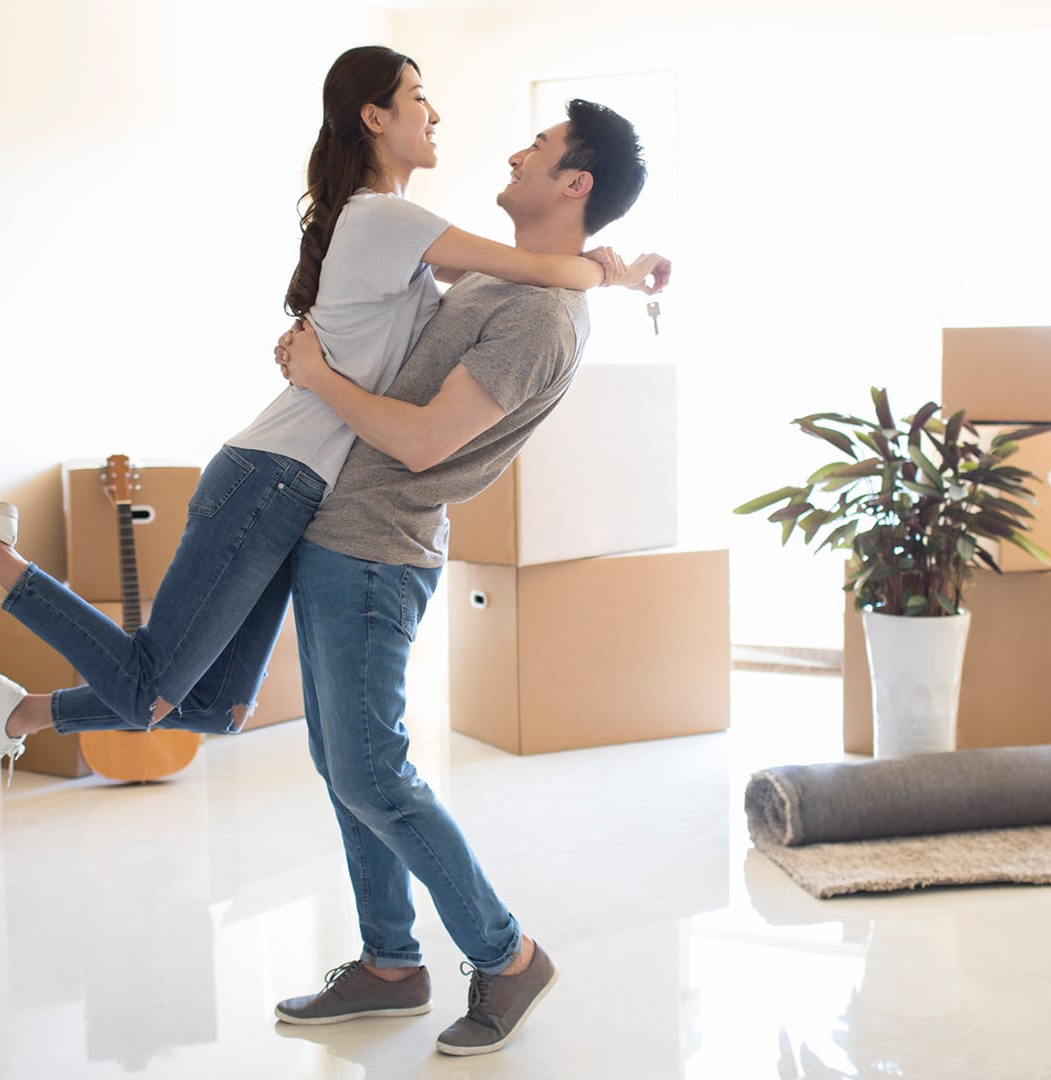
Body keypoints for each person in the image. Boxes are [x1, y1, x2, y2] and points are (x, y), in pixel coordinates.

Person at [0, 46, 661, 785]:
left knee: (219, 706)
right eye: (418, 97)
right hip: (272, 476)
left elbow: (535, 279)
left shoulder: (408, 238)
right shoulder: (386, 219)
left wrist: (615, 271)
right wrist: (613, 274)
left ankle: (24, 710)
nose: (436, 113)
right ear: (375, 118)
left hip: (300, 491)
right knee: (150, 687)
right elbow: (540, 267)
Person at [268, 98, 661, 1057]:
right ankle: (391, 964)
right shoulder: (507, 280)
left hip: (378, 547)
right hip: (339, 538)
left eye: (541, 147)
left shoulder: (540, 318)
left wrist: (316, 376)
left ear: (576, 183)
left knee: (374, 774)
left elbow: (418, 442)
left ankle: (508, 956)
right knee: (346, 771)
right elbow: (432, 256)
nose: (516, 151)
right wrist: (621, 265)